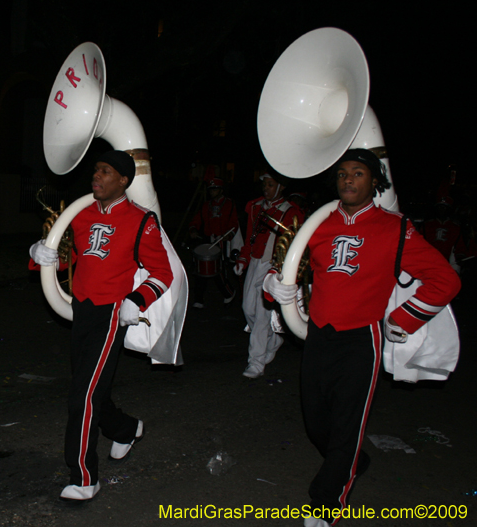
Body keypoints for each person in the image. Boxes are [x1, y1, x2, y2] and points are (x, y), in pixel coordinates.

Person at [264, 149, 461, 527]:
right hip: (318, 334)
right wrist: (275, 285)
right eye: (342, 174)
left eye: (357, 173)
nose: (348, 180)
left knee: (347, 424)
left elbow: (446, 280)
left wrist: (405, 317)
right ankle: (352, 458)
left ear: (375, 182)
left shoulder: (395, 227)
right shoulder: (316, 223)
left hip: (361, 339)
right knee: (315, 423)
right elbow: (283, 270)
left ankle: (327, 501)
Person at [29, 150, 173, 503]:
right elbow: (73, 258)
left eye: (105, 172)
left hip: (112, 313)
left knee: (82, 395)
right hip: (82, 311)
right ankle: (125, 428)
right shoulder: (79, 215)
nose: (97, 176)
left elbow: (163, 273)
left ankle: (84, 477)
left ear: (123, 180)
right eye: (96, 170)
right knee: (91, 388)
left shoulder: (142, 220)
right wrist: (41, 256)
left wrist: (134, 301)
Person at [234, 172, 303, 378]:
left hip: (273, 265)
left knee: (263, 315)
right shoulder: (255, 207)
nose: (266, 188)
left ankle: (256, 362)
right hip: (255, 261)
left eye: (271, 185)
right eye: (264, 184)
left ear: (281, 187)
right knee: (248, 309)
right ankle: (272, 340)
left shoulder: (291, 211)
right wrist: (243, 259)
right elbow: (250, 237)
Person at [188, 177, 239, 307]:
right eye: (211, 189)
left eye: (215, 189)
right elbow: (196, 220)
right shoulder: (206, 205)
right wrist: (193, 229)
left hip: (222, 241)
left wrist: (229, 234)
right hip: (208, 241)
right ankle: (198, 299)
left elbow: (234, 223)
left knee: (218, 270)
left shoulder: (229, 203)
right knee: (201, 269)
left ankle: (228, 292)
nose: (212, 192)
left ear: (221, 190)